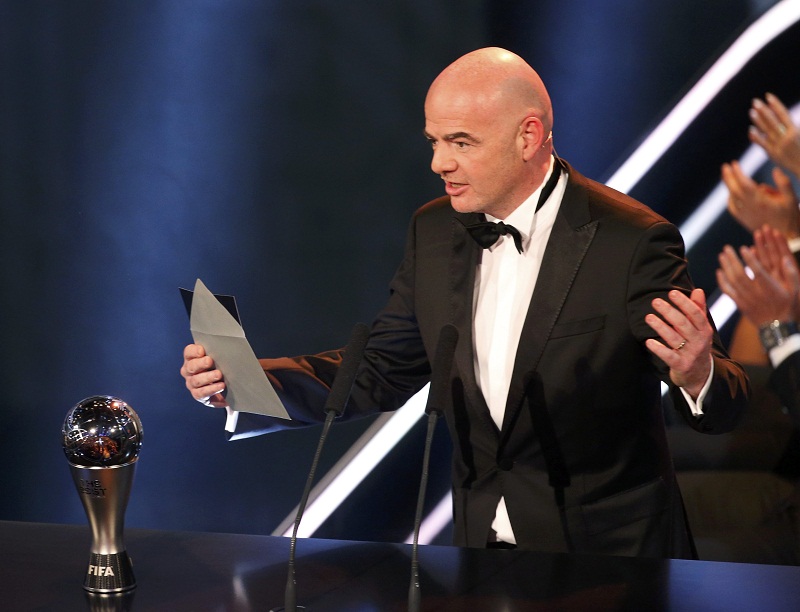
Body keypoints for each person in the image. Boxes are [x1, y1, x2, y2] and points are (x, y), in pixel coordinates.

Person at [181, 47, 748, 559]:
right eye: (434, 142)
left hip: (607, 560)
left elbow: (726, 403)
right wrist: (247, 383)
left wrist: (697, 373)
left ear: (528, 137)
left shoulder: (631, 240)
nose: (438, 164)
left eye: (460, 143)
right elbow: (381, 368)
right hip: (478, 550)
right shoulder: (434, 231)